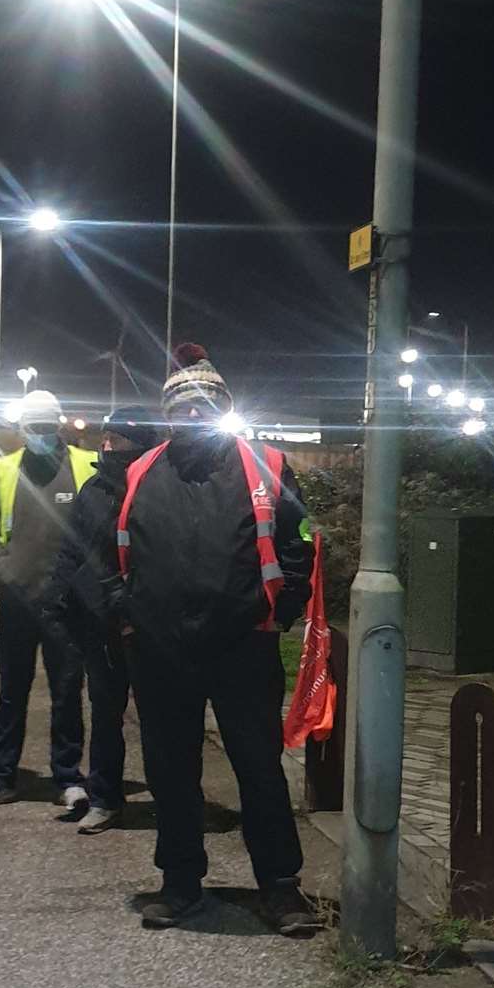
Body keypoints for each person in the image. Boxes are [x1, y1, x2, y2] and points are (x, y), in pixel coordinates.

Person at [116, 343, 320, 934]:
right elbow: (111, 553)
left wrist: (285, 606)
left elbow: (299, 539)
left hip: (243, 646)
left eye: (207, 403)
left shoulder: (269, 465)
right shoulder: (140, 471)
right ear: (168, 415)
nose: (195, 414)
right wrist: (125, 614)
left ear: (223, 406)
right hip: (160, 652)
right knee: (170, 773)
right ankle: (180, 884)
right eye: (183, 406)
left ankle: (281, 888)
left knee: (258, 766)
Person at [0, 390, 98, 812]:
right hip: (18, 602)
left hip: (68, 605)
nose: (40, 435)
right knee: (12, 692)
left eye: (46, 428)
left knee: (66, 694)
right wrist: (7, 572)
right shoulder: (6, 469)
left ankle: (68, 777)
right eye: (32, 429)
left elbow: (97, 529)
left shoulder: (84, 464)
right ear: (22, 430)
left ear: (59, 425)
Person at [43, 407, 157, 834]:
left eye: (117, 439)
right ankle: (106, 798)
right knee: (105, 716)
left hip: (146, 626)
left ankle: (170, 797)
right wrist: (58, 599)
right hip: (99, 625)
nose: (106, 444)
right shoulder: (94, 487)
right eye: (106, 437)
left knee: (158, 719)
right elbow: (73, 550)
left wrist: (126, 604)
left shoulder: (154, 485)